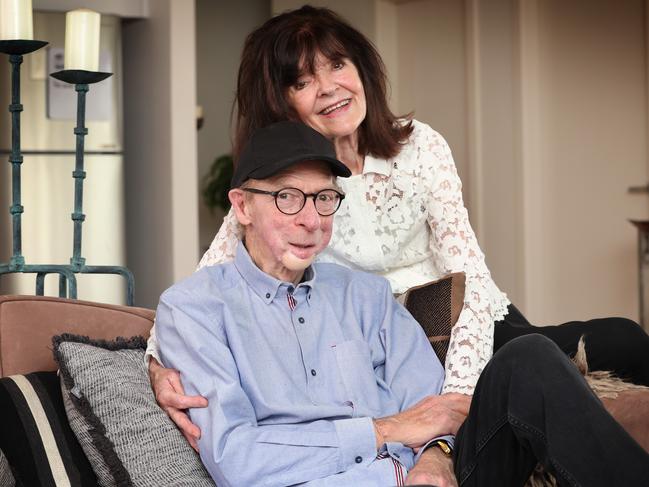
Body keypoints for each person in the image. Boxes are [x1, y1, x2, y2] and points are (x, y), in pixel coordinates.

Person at [147, 4, 649, 446]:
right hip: (389, 350)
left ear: (360, 67)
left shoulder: (422, 146)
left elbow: (468, 274)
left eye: (338, 65)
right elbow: (203, 285)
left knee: (623, 338)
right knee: (535, 390)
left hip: (467, 322)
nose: (329, 89)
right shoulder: (280, 187)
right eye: (302, 82)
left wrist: (458, 393)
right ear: (281, 102)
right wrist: (155, 364)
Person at [155, 121, 649, 487]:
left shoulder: (364, 295)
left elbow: (434, 409)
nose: (311, 220)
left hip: (426, 478)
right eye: (288, 198)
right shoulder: (194, 308)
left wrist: (434, 455)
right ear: (242, 206)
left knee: (530, 358)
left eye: (324, 199)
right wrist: (388, 429)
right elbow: (237, 458)